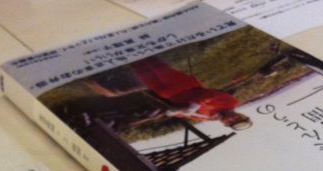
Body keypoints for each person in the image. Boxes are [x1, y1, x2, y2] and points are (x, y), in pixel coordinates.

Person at [87, 55, 253, 130]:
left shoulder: (208, 118)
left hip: (168, 94)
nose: (231, 119)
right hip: (183, 85)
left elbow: (186, 114)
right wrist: (194, 106)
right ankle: (135, 46)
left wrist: (175, 113)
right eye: (237, 118)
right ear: (240, 114)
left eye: (231, 123)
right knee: (153, 65)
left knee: (141, 72)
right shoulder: (231, 102)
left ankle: (125, 55)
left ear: (226, 125)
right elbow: (208, 95)